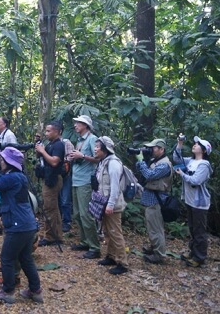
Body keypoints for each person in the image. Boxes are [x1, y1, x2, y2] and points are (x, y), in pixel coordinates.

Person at [0, 147, 43, 304]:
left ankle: (8, 292)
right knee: (25, 258)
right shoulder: (19, 176)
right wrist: (0, 213)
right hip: (27, 223)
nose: (0, 162)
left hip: (18, 226)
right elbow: (14, 201)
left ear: (8, 163)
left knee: (7, 258)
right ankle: (35, 291)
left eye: (2, 160)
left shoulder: (13, 178)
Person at [173, 134, 213, 267]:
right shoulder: (191, 161)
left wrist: (182, 174)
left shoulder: (204, 164)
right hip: (190, 200)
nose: (194, 145)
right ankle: (193, 252)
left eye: (198, 145)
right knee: (192, 228)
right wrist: (180, 143)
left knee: (199, 230)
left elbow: (196, 180)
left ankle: (199, 257)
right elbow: (176, 158)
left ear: (204, 150)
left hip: (199, 203)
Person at [92, 137, 129, 275]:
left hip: (112, 204)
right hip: (104, 202)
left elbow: (115, 186)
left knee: (115, 232)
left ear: (105, 149)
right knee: (107, 231)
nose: (95, 149)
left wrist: (111, 204)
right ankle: (111, 256)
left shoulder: (113, 164)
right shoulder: (103, 162)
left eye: (97, 147)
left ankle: (122, 263)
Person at [136, 138, 173, 264]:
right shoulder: (155, 161)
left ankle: (159, 255)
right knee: (152, 226)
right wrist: (143, 159)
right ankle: (154, 248)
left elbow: (149, 175)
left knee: (156, 228)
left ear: (161, 149)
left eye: (153, 148)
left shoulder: (164, 164)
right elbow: (141, 170)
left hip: (157, 199)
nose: (150, 150)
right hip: (151, 198)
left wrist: (141, 161)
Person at [68, 115, 100, 259]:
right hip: (76, 180)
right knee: (76, 214)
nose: (75, 125)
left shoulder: (92, 139)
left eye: (78, 123)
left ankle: (95, 247)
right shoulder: (80, 140)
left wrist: (82, 156)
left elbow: (98, 159)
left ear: (86, 126)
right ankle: (85, 241)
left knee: (86, 214)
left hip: (86, 181)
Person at [35, 121, 65, 247]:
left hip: (53, 179)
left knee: (49, 207)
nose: (46, 133)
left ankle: (50, 236)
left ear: (56, 132)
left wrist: (42, 151)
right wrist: (39, 149)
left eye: (48, 131)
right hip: (48, 177)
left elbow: (54, 162)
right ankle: (56, 234)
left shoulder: (59, 145)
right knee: (53, 208)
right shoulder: (50, 144)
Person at [59, 133, 74, 233]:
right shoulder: (49, 143)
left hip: (65, 175)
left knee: (65, 199)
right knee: (58, 199)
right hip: (55, 175)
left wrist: (59, 161)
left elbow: (70, 158)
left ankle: (67, 221)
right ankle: (58, 221)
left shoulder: (66, 143)